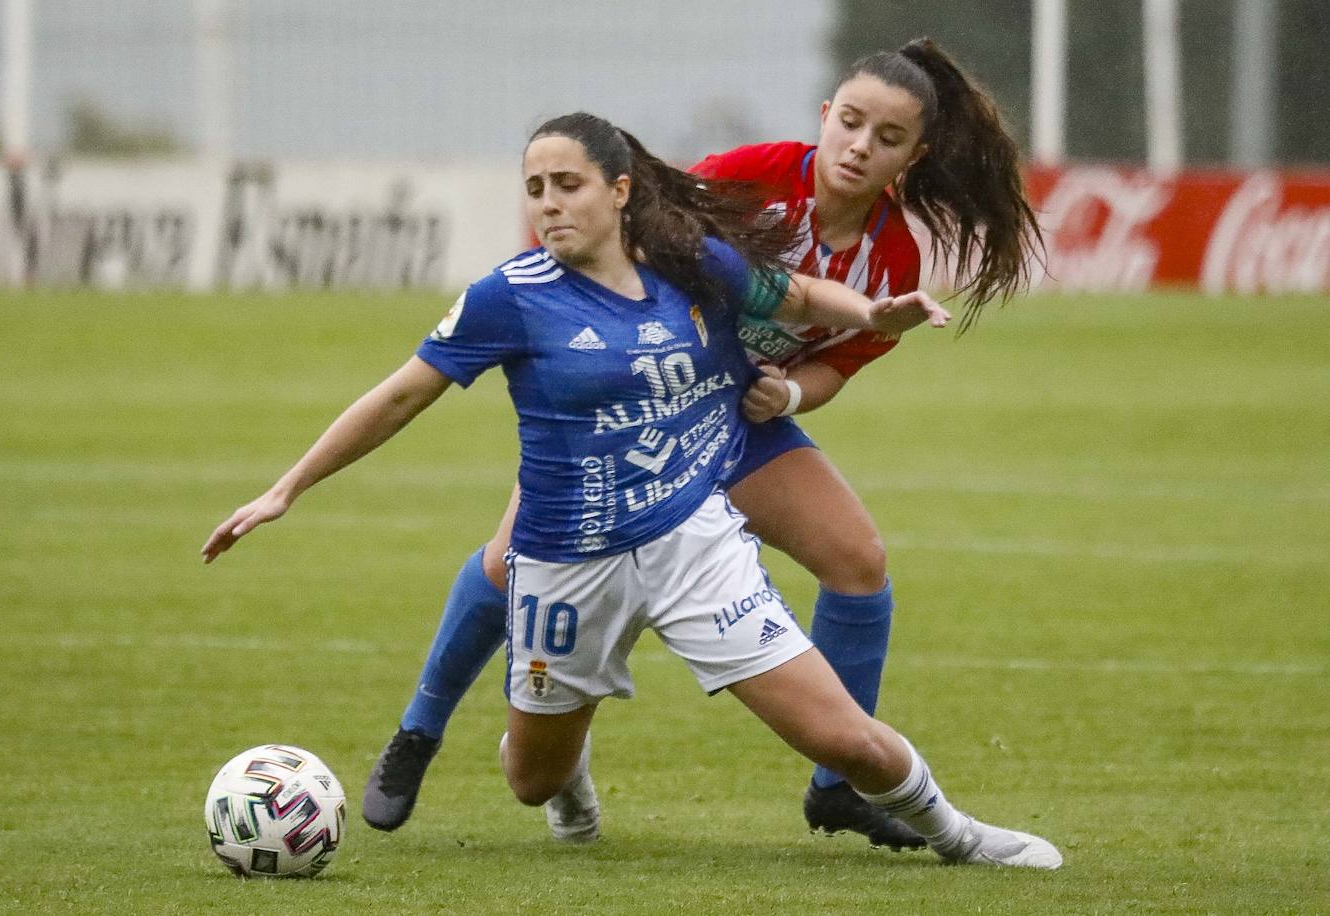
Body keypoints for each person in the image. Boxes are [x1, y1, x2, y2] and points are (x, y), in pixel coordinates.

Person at [203, 110, 1060, 869]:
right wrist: (287, 489)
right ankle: (561, 766)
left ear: (618, 191)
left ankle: (961, 838)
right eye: (535, 187)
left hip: (696, 546)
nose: (548, 202)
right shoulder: (509, 295)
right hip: (564, 566)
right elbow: (398, 395)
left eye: (567, 184)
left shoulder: (695, 266)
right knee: (530, 782)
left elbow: (795, 294)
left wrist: (872, 316)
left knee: (845, 739)